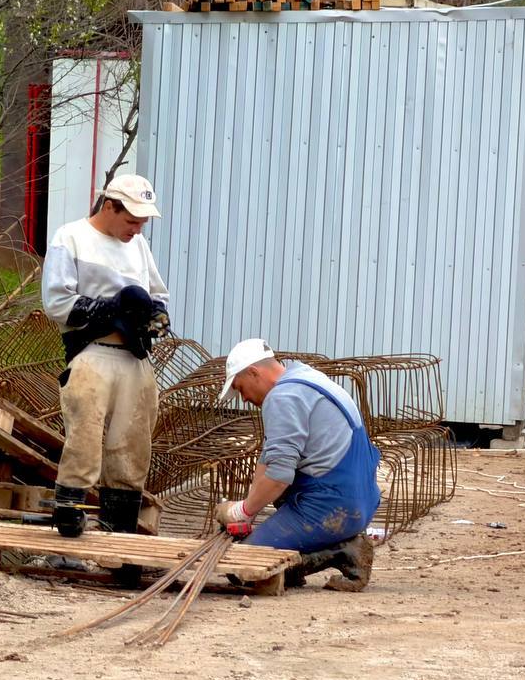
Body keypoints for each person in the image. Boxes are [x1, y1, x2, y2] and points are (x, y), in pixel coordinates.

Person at [41, 174, 171, 572]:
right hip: (92, 350)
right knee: (84, 441)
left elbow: (158, 294)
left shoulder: (138, 246)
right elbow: (57, 302)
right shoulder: (71, 237)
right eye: (132, 220)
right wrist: (111, 308)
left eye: (143, 222)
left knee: (132, 447)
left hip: (133, 357)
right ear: (109, 206)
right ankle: (67, 542)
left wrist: (155, 317)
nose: (138, 229)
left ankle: (119, 548)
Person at [212, 339, 381, 591]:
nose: (244, 398)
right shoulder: (306, 378)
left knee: (243, 568)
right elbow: (269, 460)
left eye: (240, 388)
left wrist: (240, 512)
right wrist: (249, 508)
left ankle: (342, 550)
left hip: (334, 508)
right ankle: (326, 544)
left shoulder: (282, 398)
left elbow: (278, 477)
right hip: (361, 499)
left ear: (254, 373)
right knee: (279, 497)